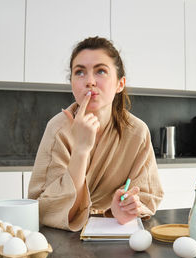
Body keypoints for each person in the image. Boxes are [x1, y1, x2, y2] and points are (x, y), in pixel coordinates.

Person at [28, 37, 163, 231]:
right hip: (63, 239)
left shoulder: (137, 132)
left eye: (101, 71)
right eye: (80, 72)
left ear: (120, 84)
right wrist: (81, 150)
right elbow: (48, 208)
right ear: (72, 83)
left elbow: (147, 196)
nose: (90, 82)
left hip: (117, 236)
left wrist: (126, 208)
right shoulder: (58, 129)